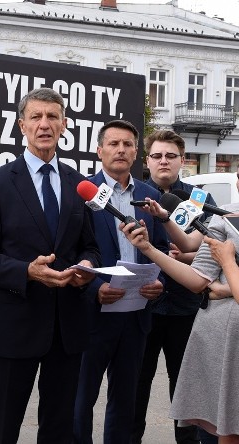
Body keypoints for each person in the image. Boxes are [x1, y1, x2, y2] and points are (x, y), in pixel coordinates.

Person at [0, 87, 100, 443]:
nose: (45, 124)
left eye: (53, 117)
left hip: (67, 330)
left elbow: (91, 247)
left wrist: (86, 267)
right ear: (21, 125)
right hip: (14, 328)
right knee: (3, 429)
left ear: (64, 125)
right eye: (36, 117)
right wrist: (27, 271)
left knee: (59, 431)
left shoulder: (79, 183)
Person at [72, 120, 169, 444]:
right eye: (113, 144)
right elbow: (71, 252)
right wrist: (92, 287)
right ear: (100, 151)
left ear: (136, 153)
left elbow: (160, 252)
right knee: (80, 401)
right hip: (92, 319)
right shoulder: (82, 193)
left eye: (128, 144)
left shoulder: (149, 195)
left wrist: (160, 285)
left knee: (125, 403)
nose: (121, 150)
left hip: (136, 318)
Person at [120, 209, 239, 444]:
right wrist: (148, 249)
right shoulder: (225, 219)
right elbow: (197, 279)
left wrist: (227, 269)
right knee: (228, 429)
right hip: (222, 345)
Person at [133, 129, 218, 444]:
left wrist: (188, 253)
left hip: (187, 309)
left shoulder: (198, 199)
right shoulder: (135, 194)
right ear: (148, 161)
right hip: (141, 307)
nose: (163, 161)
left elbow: (215, 246)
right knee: (135, 387)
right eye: (157, 155)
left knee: (185, 392)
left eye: (170, 155)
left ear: (183, 160)